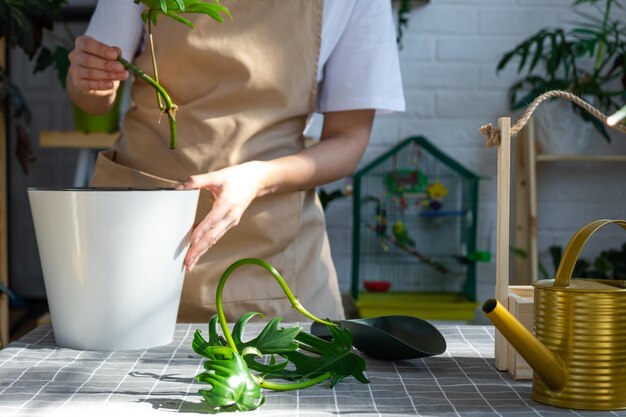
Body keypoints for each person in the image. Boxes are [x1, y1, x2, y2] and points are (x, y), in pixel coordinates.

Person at [66, 0, 405, 323]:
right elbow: (92, 98)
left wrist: (261, 178)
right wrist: (91, 78)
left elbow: (348, 140)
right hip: (141, 235)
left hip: (270, 245)